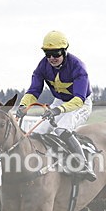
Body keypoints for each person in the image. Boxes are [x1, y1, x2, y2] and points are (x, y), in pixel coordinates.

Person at [16, 31, 95, 181]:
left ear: (64, 51)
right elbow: (34, 91)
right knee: (37, 132)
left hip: (80, 103)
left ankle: (83, 164)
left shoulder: (78, 67)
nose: (52, 58)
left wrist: (57, 110)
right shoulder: (42, 66)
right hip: (59, 101)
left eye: (56, 53)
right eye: (48, 54)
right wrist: (23, 106)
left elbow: (79, 99)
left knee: (61, 129)